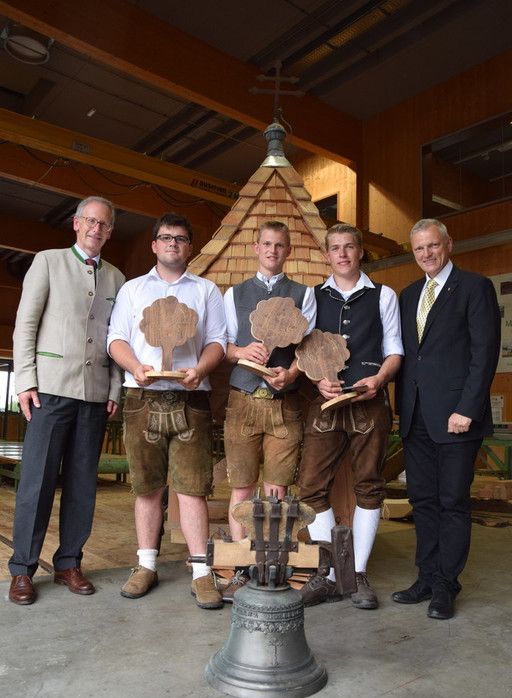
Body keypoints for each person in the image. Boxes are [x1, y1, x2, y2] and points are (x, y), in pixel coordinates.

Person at [8, 196, 125, 605]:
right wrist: (25, 381)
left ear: (110, 231)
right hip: (50, 390)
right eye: (90, 220)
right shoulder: (48, 261)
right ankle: (22, 568)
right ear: (76, 223)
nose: (96, 228)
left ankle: (69, 563)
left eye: (104, 224)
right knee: (36, 482)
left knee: (82, 485)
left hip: (95, 395)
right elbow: (25, 325)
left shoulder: (117, 278)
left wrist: (114, 388)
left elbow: (118, 338)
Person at [107, 212, 227, 609]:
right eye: (165, 237)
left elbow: (217, 342)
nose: (172, 243)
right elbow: (116, 339)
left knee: (192, 487)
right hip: (141, 398)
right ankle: (145, 566)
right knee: (147, 487)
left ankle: (201, 572)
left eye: (180, 238)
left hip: (192, 398)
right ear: (154, 245)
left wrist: (201, 369)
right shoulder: (133, 289)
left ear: (190, 247)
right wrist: (135, 367)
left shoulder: (206, 290)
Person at [392, 218, 500, 619]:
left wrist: (467, 408)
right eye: (419, 248)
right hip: (416, 415)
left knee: (452, 501)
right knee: (422, 500)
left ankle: (445, 585)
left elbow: (484, 352)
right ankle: (426, 576)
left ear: (448, 244)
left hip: (457, 416)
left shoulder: (474, 287)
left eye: (433, 245)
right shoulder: (408, 295)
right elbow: (409, 356)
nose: (426, 254)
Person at [298, 223, 403, 609]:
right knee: (310, 487)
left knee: (369, 485)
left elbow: (394, 349)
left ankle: (356, 573)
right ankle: (330, 574)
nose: (342, 254)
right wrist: (317, 379)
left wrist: (379, 378)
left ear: (360, 252)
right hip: (325, 402)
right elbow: (304, 348)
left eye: (349, 247)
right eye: (335, 248)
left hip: (369, 401)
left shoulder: (383, 295)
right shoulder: (312, 296)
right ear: (327, 255)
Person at [221, 221, 316, 597]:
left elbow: (309, 348)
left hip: (284, 403)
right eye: (266, 244)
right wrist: (242, 351)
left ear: (287, 251)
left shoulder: (304, 294)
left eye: (279, 245)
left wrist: (292, 373)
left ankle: (271, 565)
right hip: (242, 399)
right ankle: (240, 566)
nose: (272, 250)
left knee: (277, 488)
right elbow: (223, 345)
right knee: (242, 487)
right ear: (256, 248)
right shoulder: (235, 293)